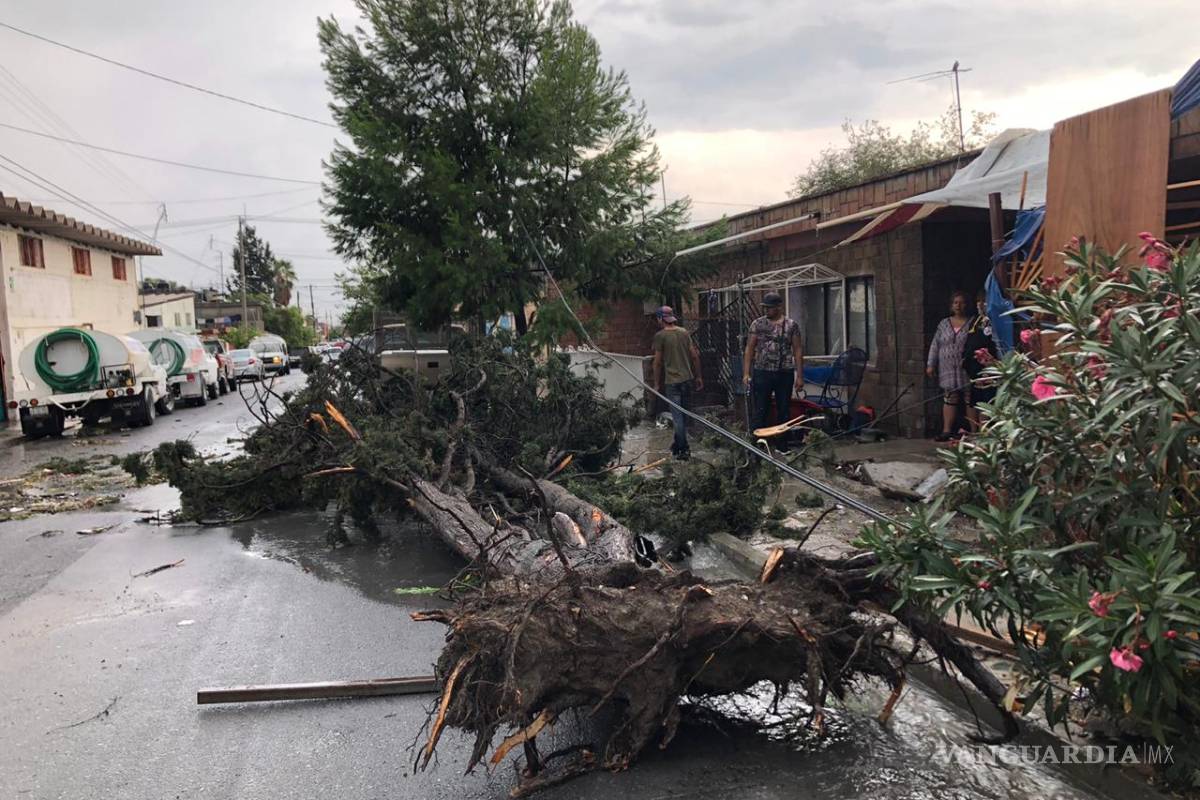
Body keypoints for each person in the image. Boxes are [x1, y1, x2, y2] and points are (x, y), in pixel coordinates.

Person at [742, 292, 803, 439]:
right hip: (763, 371)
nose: (766, 310)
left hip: (784, 372)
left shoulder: (791, 325)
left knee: (784, 410)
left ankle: (783, 445)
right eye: (765, 308)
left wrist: (799, 376)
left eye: (769, 308)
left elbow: (798, 350)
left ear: (778, 307)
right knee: (760, 409)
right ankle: (758, 445)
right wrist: (746, 373)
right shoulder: (758, 324)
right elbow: (749, 348)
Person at [652, 306, 702, 460]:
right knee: (685, 415)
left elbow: (657, 362)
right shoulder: (684, 332)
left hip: (672, 383)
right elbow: (694, 356)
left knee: (677, 416)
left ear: (661, 319)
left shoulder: (660, 336)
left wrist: (656, 384)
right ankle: (677, 444)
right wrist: (699, 376)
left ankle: (683, 449)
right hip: (687, 380)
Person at [926, 290, 972, 441]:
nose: (958, 306)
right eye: (955, 303)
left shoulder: (972, 323)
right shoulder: (944, 324)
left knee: (969, 398)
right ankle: (946, 430)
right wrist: (931, 364)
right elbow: (935, 345)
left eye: (961, 302)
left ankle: (974, 430)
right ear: (951, 306)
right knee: (949, 397)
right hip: (947, 367)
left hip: (965, 367)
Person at [962, 290, 999, 431]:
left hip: (987, 369)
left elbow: (989, 344)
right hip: (973, 369)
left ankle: (985, 433)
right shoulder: (975, 321)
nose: (980, 305)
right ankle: (974, 431)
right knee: (974, 402)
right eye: (978, 301)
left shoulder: (991, 321)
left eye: (983, 302)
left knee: (986, 403)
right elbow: (969, 342)